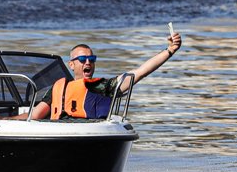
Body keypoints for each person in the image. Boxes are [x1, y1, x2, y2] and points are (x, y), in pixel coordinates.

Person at [11, 31, 183, 120]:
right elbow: (34, 115)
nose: (88, 62)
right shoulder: (58, 88)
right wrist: (2, 118)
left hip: (88, 136)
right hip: (60, 134)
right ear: (71, 64)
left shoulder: (101, 87)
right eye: (83, 59)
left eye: (91, 59)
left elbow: (139, 72)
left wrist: (169, 51)